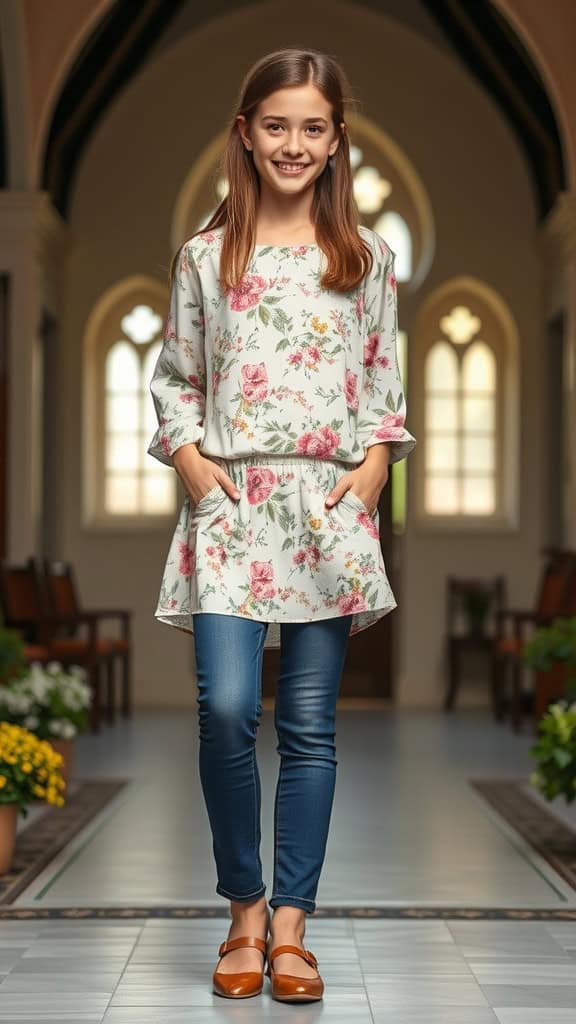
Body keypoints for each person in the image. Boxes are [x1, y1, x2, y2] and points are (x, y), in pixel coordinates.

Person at [147, 47, 416, 1003]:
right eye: (276, 125)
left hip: (327, 512)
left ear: (337, 139)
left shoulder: (368, 260)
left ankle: (293, 929)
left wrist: (375, 468)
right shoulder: (204, 258)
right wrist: (188, 459)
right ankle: (243, 909)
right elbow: (176, 377)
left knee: (307, 725)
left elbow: (385, 385)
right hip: (229, 510)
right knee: (225, 709)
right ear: (245, 133)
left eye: (312, 127)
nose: (293, 144)